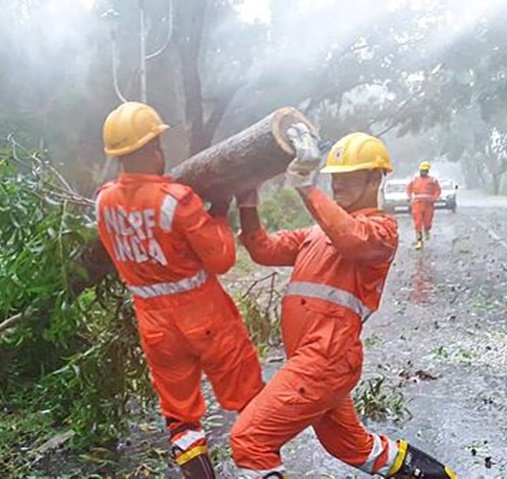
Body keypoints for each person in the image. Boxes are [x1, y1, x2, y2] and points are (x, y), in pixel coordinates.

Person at [230, 128, 456, 479]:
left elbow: (352, 239)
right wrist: (247, 202)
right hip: (317, 360)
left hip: (324, 359)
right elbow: (262, 249)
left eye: (349, 176)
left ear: (375, 178)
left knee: (250, 440)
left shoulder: (381, 231)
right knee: (350, 446)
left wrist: (307, 187)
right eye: (335, 176)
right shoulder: (317, 232)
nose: (338, 184)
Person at [95, 102, 264, 478]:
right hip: (206, 318)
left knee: (180, 415)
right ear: (153, 148)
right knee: (250, 399)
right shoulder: (175, 199)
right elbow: (221, 258)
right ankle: (263, 468)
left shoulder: (103, 202)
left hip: (155, 327)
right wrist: (218, 213)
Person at [407, 161, 441, 250]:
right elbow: (408, 189)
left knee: (427, 221)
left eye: (425, 171)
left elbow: (438, 190)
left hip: (428, 205)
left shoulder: (433, 180)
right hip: (417, 204)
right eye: (422, 170)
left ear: (428, 171)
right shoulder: (414, 180)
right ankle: (419, 241)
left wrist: (434, 198)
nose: (423, 172)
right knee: (417, 223)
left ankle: (427, 230)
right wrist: (410, 198)